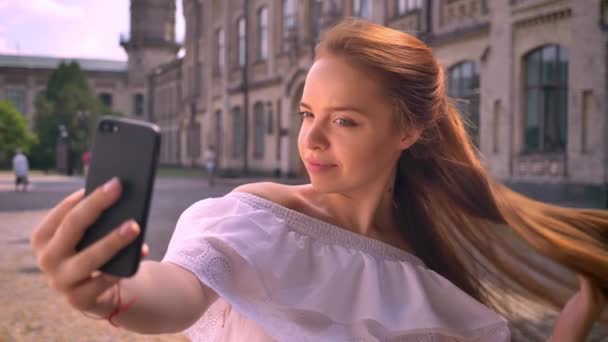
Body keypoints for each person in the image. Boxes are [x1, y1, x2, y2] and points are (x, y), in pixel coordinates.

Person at [30, 19, 607, 341]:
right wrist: (113, 294)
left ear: (406, 131)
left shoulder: (430, 266)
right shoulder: (256, 215)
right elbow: (177, 296)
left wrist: (577, 320)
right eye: (307, 114)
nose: (311, 139)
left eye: (345, 121)